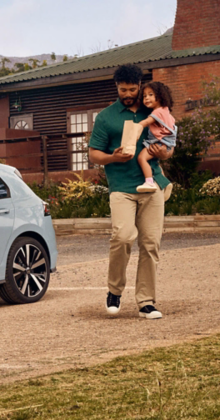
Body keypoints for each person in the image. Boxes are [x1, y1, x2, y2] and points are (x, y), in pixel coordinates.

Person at [88, 64, 173, 320]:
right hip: (122, 188)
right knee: (123, 237)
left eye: (132, 89)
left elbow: (169, 144)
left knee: (150, 244)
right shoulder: (106, 117)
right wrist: (112, 157)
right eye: (123, 89)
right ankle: (114, 290)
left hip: (151, 185)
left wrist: (164, 153)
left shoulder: (155, 110)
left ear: (140, 86)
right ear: (116, 87)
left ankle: (146, 302)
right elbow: (93, 155)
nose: (128, 94)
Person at [135, 81, 177, 193]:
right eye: (144, 96)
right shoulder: (165, 110)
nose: (146, 98)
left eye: (150, 95)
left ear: (160, 96)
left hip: (159, 142)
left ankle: (149, 182)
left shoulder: (157, 112)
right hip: (165, 143)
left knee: (142, 158)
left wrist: (137, 127)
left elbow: (147, 121)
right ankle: (164, 183)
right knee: (154, 162)